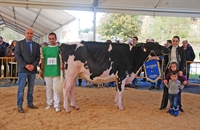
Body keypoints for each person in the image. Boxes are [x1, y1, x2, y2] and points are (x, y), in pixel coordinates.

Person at [15, 28, 40, 113]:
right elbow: (17, 55)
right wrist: (25, 65)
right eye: (28, 33)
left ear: (33, 34)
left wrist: (33, 65)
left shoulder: (37, 45)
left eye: (31, 33)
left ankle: (30, 103)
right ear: (25, 34)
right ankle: (19, 105)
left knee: (31, 88)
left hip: (32, 70)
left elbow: (38, 57)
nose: (29, 34)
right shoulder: (19, 43)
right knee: (21, 88)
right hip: (23, 69)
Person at [159, 36, 186, 111]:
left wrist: (181, 70)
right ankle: (163, 105)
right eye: (174, 41)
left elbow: (183, 61)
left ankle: (179, 106)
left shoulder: (181, 50)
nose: (175, 42)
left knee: (178, 88)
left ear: (178, 42)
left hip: (178, 70)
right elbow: (166, 59)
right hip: (169, 70)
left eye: (176, 41)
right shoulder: (168, 49)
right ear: (172, 41)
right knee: (166, 87)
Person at [40, 32, 64, 112]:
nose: (51, 40)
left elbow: (61, 59)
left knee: (56, 88)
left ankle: (56, 105)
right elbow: (42, 60)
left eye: (53, 38)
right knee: (48, 88)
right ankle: (49, 103)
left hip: (56, 70)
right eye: (50, 39)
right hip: (47, 71)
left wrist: (62, 66)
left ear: (56, 39)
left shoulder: (59, 48)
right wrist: (42, 70)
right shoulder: (44, 49)